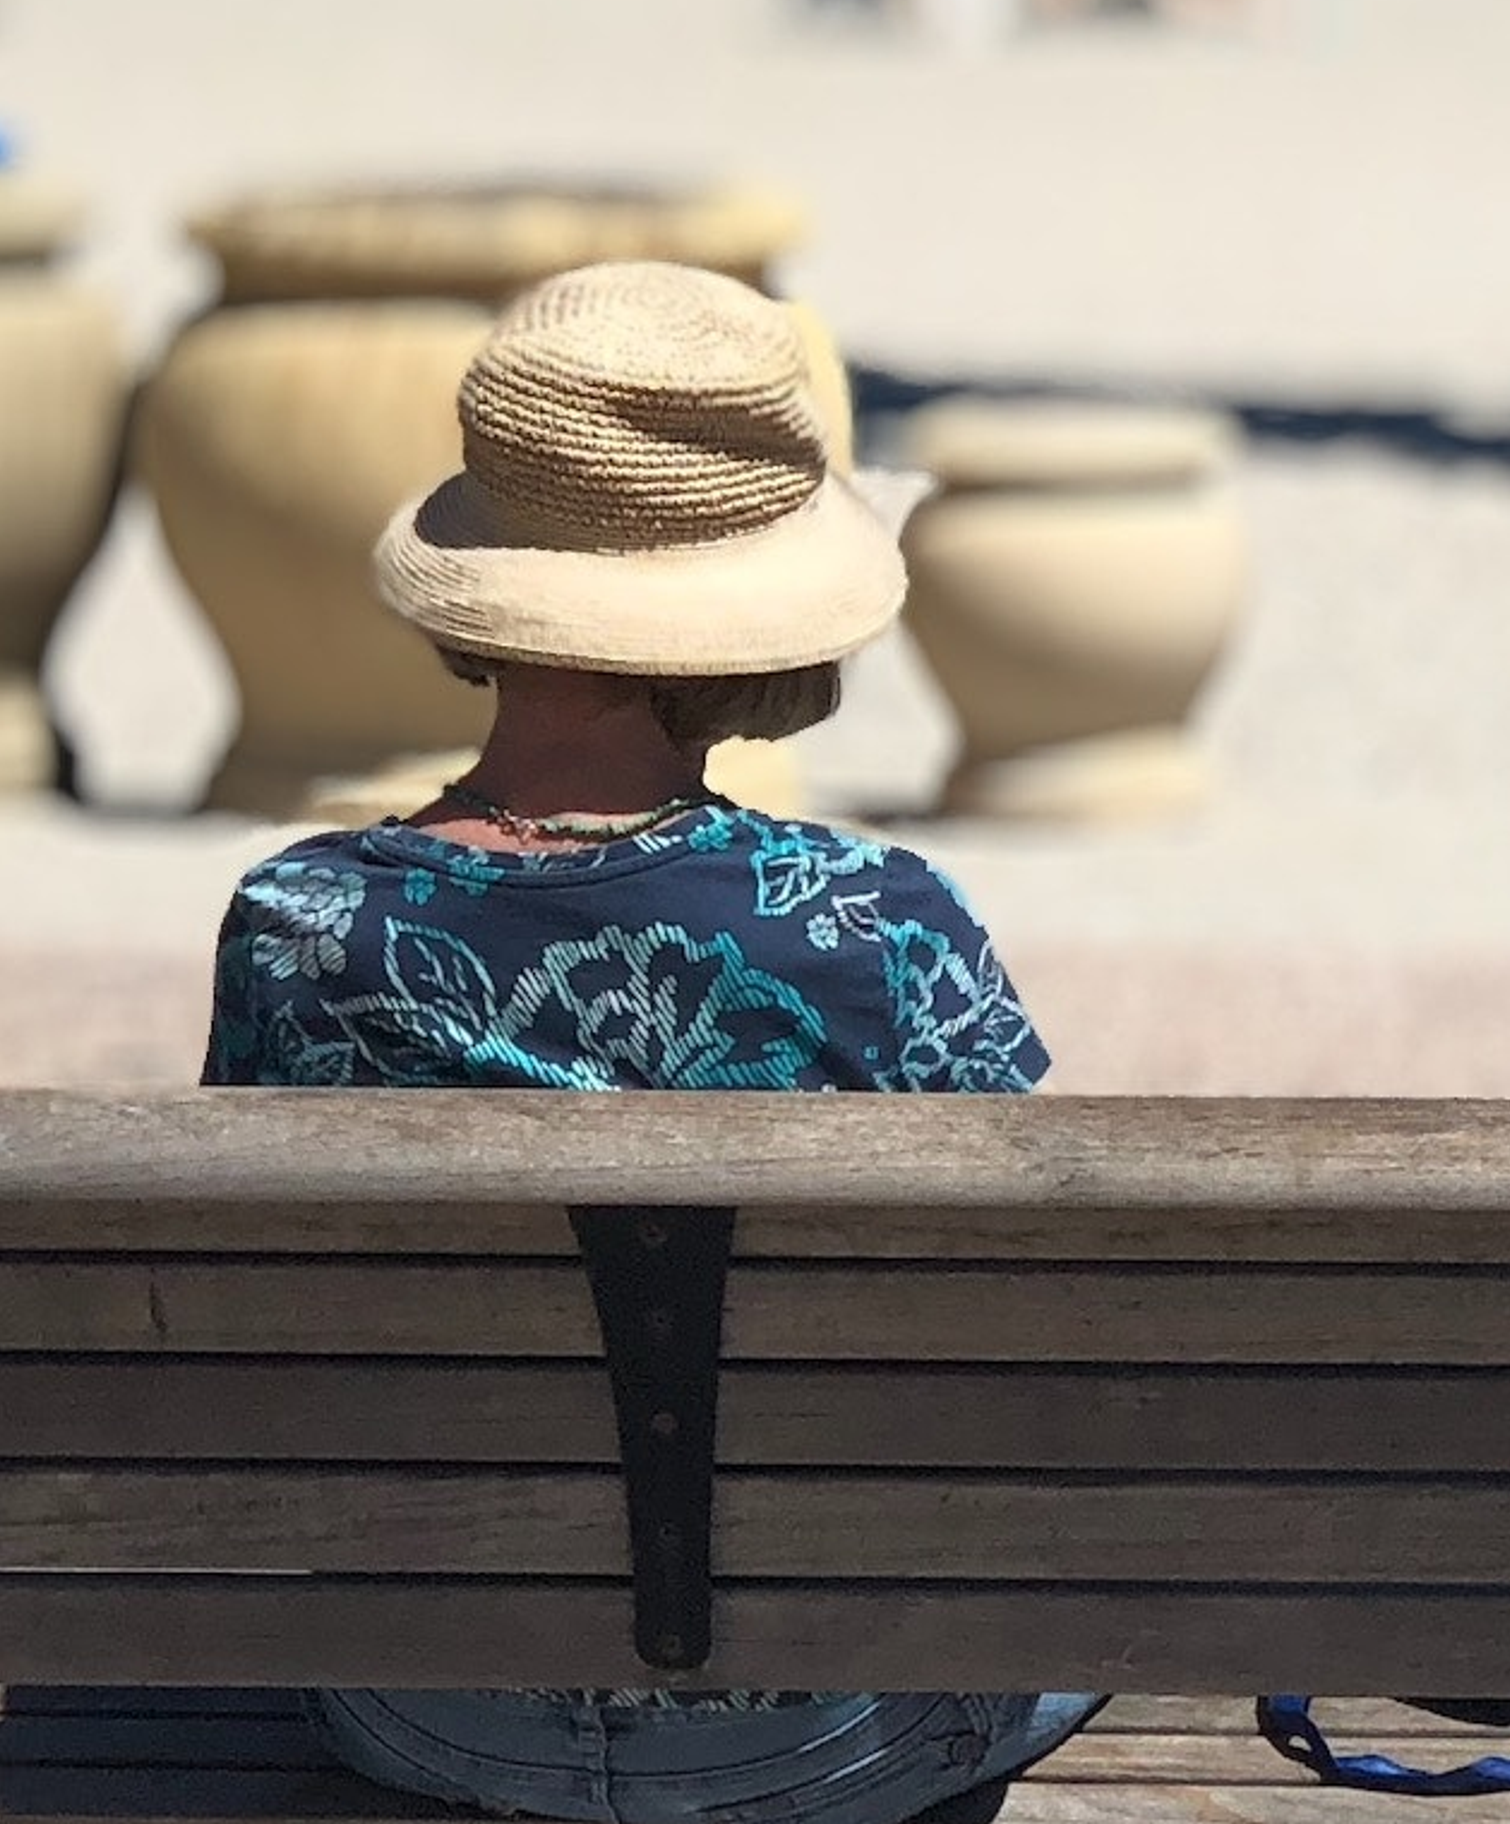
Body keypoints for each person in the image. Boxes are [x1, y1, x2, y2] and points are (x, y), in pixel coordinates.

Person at [205, 259, 1101, 1824]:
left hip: (420, 1713)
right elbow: (1040, 1327)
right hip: (836, 1735)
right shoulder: (878, 920)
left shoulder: (296, 921)